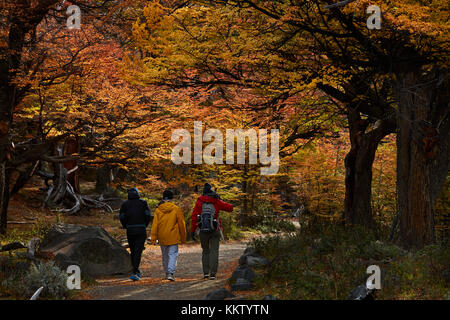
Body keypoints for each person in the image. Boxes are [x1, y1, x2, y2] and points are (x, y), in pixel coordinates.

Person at [191, 183, 233, 280]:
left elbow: (194, 217)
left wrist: (192, 231)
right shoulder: (216, 201)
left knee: (205, 251)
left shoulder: (199, 202)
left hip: (202, 230)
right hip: (215, 229)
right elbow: (230, 208)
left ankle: (206, 273)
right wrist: (220, 199)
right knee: (214, 251)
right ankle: (213, 274)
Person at [150, 189, 186, 281]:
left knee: (165, 255)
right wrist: (183, 237)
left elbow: (155, 225)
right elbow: (181, 224)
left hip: (162, 236)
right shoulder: (176, 209)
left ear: (163, 198)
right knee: (173, 254)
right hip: (173, 236)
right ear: (172, 198)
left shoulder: (158, 210)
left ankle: (167, 272)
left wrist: (153, 238)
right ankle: (170, 273)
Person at [119, 187, 152, 281]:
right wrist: (144, 225)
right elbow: (147, 215)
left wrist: (125, 225)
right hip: (141, 229)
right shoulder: (143, 203)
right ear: (137, 194)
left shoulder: (125, 204)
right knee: (138, 250)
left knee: (133, 250)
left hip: (130, 229)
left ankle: (135, 270)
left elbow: (121, 216)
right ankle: (136, 271)